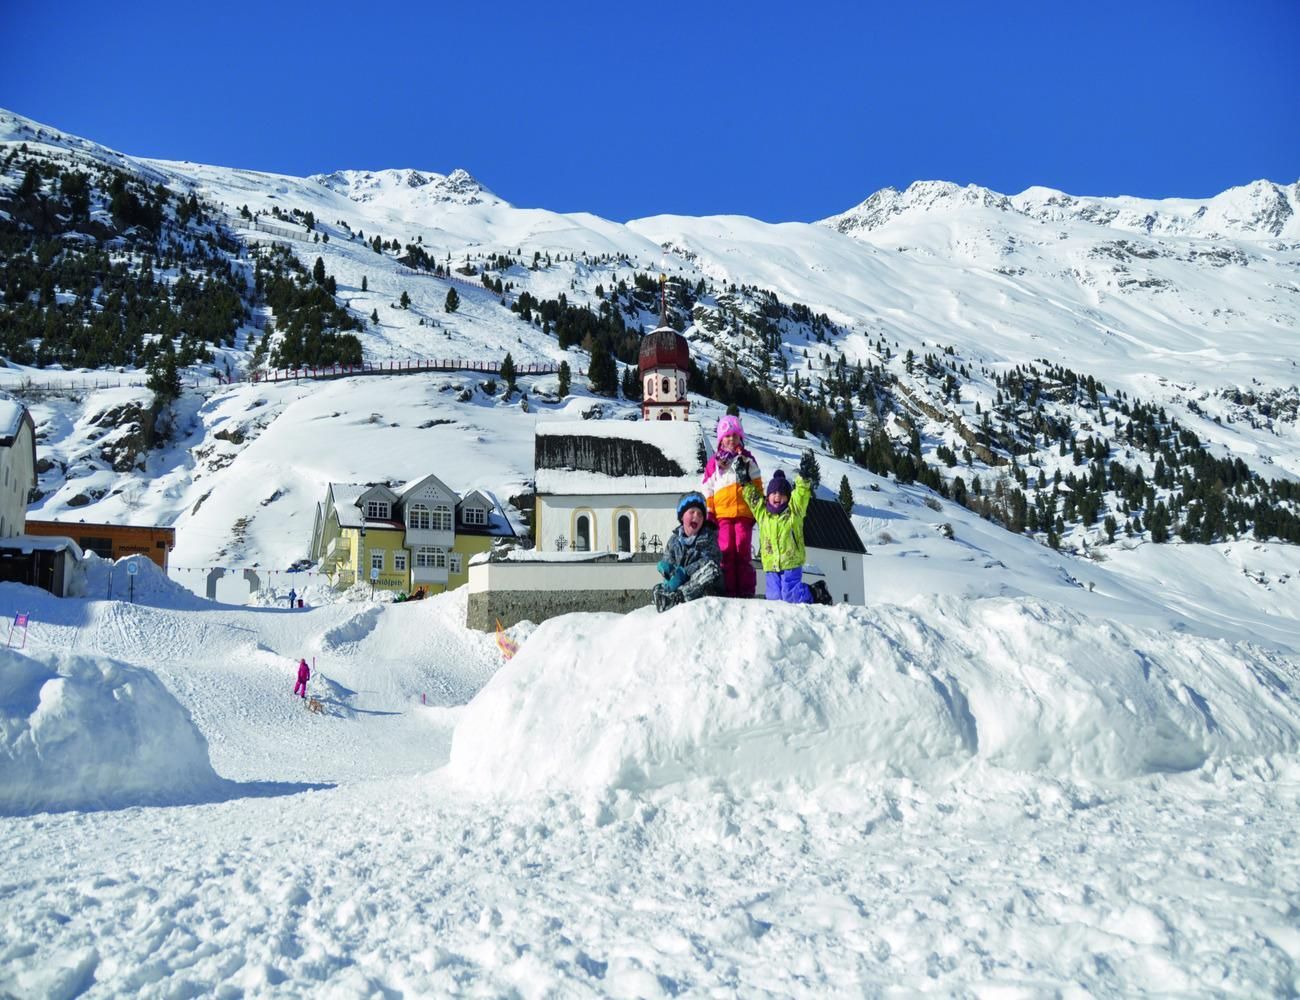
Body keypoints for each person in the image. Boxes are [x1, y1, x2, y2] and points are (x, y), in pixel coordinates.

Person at [741, 468, 833, 605]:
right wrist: (745, 483)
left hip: (791, 562)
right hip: (770, 564)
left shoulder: (794, 512)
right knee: (773, 597)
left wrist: (803, 480)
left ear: (788, 497)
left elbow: (800, 496)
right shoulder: (763, 514)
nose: (777, 496)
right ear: (768, 496)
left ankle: (816, 592)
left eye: (782, 493)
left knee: (790, 596)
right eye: (774, 493)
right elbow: (753, 500)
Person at [701, 414, 762, 598]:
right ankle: (727, 590)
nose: (731, 439)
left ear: (740, 438)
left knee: (743, 550)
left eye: (735, 435)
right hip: (722, 515)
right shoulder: (714, 463)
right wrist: (710, 511)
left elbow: (757, 483)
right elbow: (707, 488)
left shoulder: (747, 459)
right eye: (727, 435)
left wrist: (757, 506)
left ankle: (745, 591)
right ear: (721, 439)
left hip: (744, 513)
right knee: (726, 551)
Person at [652, 492, 724, 612]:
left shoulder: (708, 537)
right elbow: (669, 558)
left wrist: (685, 572)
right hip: (681, 582)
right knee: (659, 587)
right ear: (682, 517)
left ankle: (679, 597)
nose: (696, 516)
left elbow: (710, 560)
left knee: (711, 570)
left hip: (704, 588)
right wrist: (669, 570)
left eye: (700, 514)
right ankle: (665, 597)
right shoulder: (674, 540)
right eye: (692, 512)